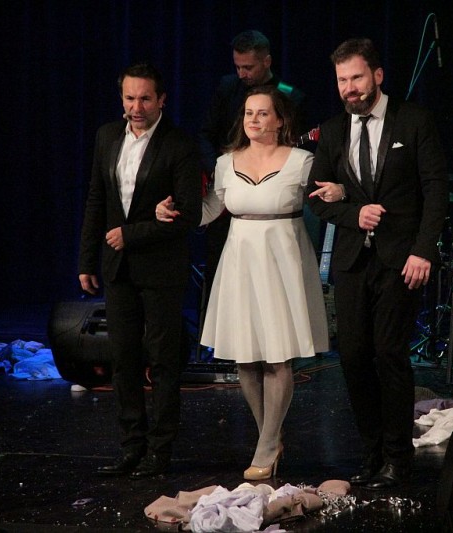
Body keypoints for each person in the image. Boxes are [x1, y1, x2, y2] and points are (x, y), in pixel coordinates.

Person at [156, 85, 328, 480]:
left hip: (282, 258)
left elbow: (325, 204)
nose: (254, 119)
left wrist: (338, 193)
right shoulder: (225, 163)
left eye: (263, 113)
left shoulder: (301, 162)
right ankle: (269, 435)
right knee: (245, 358)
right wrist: (175, 212)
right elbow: (209, 210)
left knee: (278, 355)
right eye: (249, 113)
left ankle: (266, 446)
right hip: (240, 259)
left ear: (280, 120)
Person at [306, 38, 449, 489]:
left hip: (400, 257)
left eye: (357, 77)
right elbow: (318, 198)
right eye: (342, 80)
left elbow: (436, 190)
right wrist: (353, 213)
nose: (349, 88)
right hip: (352, 260)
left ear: (378, 75)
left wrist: (423, 249)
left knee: (389, 354)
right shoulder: (332, 131)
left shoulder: (414, 120)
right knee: (352, 357)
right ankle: (371, 455)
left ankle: (398, 457)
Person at [78, 62, 202, 479]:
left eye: (145, 98)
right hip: (118, 269)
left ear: (161, 99)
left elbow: (187, 215)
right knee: (123, 359)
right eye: (130, 98)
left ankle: (159, 450)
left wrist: (131, 235)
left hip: (161, 269)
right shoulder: (107, 136)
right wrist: (86, 259)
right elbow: (97, 199)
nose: (136, 107)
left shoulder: (179, 145)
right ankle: (131, 446)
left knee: (163, 362)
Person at [198, 30, 307, 314]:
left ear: (267, 61)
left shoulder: (289, 95)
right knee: (219, 268)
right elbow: (206, 134)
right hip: (229, 189)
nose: (242, 74)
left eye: (248, 67)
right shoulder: (227, 87)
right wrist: (219, 171)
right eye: (237, 67)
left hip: (271, 197)